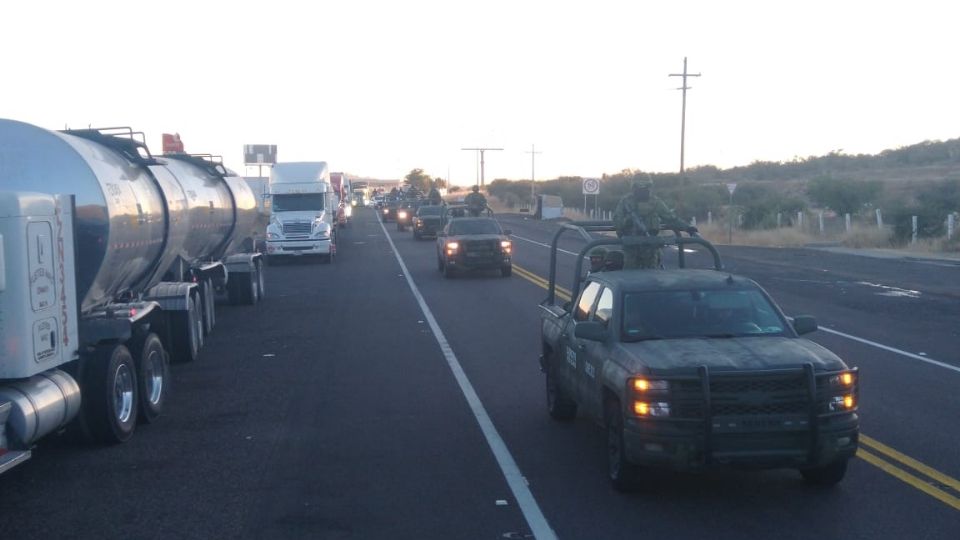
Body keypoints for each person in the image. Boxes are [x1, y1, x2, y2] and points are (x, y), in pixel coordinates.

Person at [612, 177, 696, 269]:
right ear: (634, 188)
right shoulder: (626, 202)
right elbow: (617, 222)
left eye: (645, 187)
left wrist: (688, 228)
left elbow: (670, 218)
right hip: (631, 246)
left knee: (652, 276)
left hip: (650, 246)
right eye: (639, 187)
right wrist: (627, 221)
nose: (642, 190)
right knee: (630, 276)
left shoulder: (655, 202)